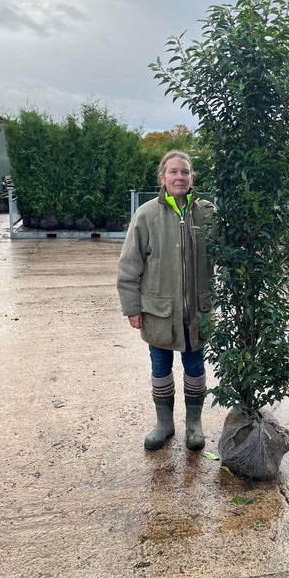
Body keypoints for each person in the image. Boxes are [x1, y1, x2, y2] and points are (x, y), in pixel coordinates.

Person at [117, 150, 214, 451]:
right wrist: (132, 308)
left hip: (197, 310)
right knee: (160, 368)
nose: (179, 177)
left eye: (185, 172)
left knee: (195, 367)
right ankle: (164, 424)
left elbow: (225, 252)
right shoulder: (146, 215)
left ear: (191, 177)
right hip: (159, 312)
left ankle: (194, 425)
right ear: (162, 178)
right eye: (173, 172)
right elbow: (128, 266)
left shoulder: (206, 213)